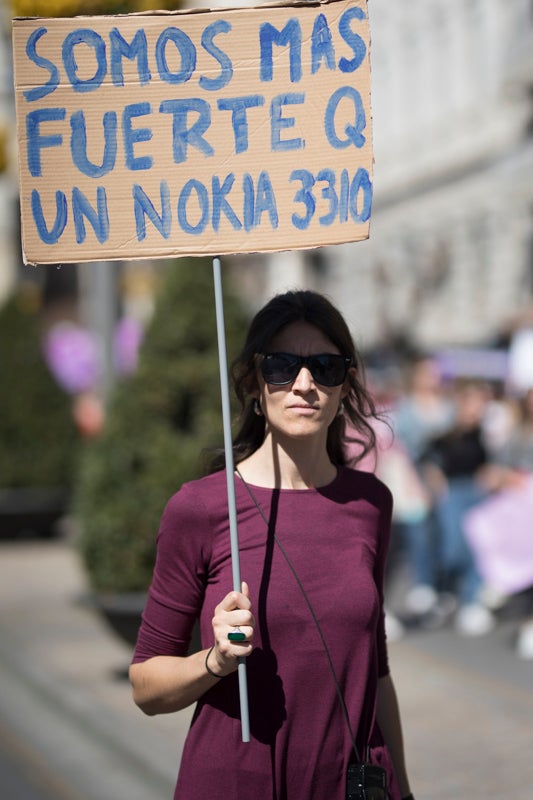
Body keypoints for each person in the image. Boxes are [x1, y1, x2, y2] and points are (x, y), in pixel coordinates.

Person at [129, 290, 414, 800]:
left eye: (325, 366)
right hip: (240, 783)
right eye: (282, 366)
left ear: (345, 382)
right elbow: (145, 685)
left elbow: (377, 669)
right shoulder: (201, 508)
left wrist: (404, 791)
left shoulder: (371, 503)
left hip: (348, 784)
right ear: (254, 383)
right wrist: (213, 662)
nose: (304, 384)